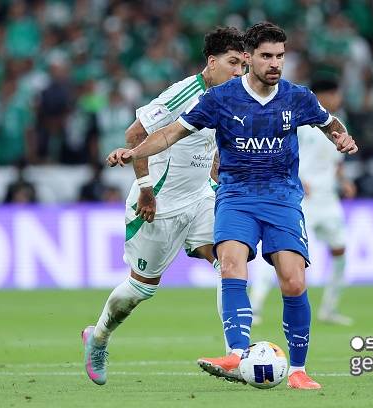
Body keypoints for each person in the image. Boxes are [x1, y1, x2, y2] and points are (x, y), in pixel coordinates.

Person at [109, 22, 358, 390]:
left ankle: (299, 371)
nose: (275, 64)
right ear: (249, 57)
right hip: (235, 197)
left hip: (282, 199)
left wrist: (340, 137)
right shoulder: (221, 98)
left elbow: (328, 121)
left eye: (280, 56)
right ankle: (237, 353)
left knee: (293, 281)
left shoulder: (297, 97)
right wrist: (135, 152)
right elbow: (169, 133)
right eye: (266, 56)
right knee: (229, 265)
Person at [82, 27, 246, 386]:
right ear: (212, 62)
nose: (239, 72)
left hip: (201, 198)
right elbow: (134, 134)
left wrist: (217, 181)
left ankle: (235, 355)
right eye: (233, 63)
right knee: (140, 290)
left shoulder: (233, 97)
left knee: (230, 262)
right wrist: (145, 190)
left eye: (243, 66)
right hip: (158, 203)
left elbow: (214, 147)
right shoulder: (184, 93)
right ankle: (99, 337)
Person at [249, 77, 354, 326]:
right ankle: (254, 306)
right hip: (302, 198)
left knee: (340, 251)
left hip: (328, 200)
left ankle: (329, 308)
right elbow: (280, 152)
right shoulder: (302, 121)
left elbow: (335, 160)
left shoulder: (338, 122)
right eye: (334, 94)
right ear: (323, 96)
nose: (338, 99)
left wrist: (344, 180)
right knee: (279, 251)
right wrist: (296, 178)